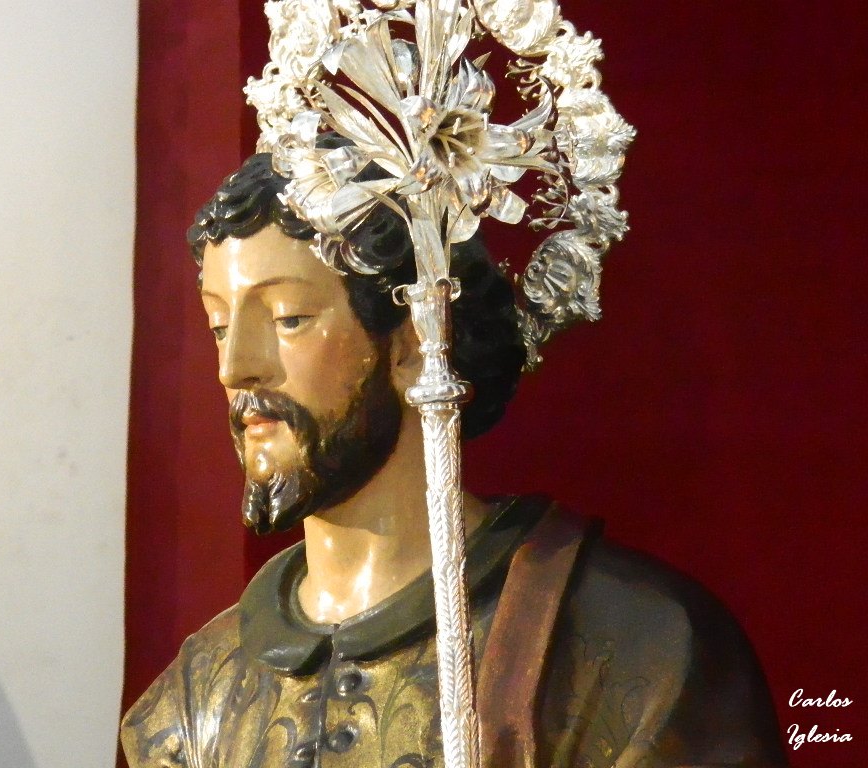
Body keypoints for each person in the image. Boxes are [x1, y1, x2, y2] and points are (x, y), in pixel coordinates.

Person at [120, 153, 786, 768]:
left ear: (415, 340)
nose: (235, 368)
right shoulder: (192, 703)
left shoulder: (629, 651)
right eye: (218, 326)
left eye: (288, 318)